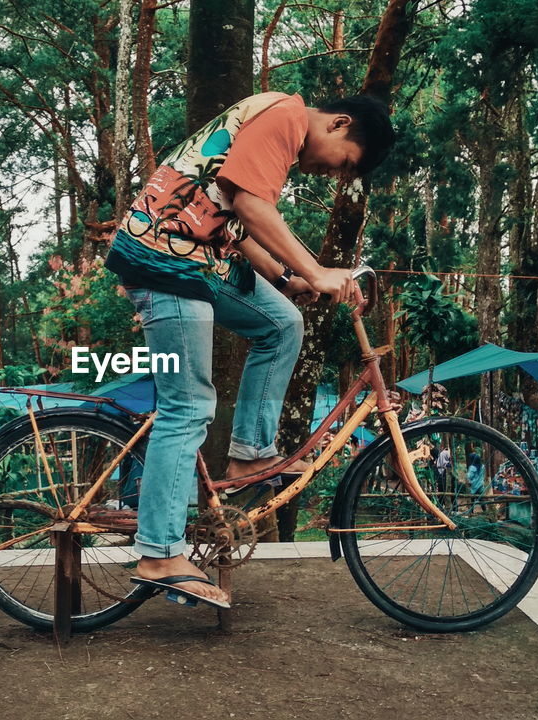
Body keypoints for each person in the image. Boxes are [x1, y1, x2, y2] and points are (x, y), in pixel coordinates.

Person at [106, 91, 395, 608]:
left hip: (199, 259)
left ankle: (250, 458)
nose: (333, 174)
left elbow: (237, 227)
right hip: (165, 260)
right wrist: (317, 270)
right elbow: (251, 206)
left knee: (283, 323)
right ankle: (159, 554)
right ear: (338, 124)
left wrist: (287, 279)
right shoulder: (285, 115)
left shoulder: (267, 136)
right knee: (188, 406)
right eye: (344, 163)